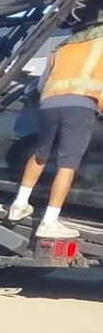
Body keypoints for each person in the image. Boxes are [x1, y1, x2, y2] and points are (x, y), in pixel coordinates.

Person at [8, 21, 103, 241]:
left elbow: (41, 85)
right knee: (68, 164)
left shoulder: (62, 47)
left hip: (49, 103)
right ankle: (49, 222)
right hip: (81, 105)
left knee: (40, 154)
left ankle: (19, 205)